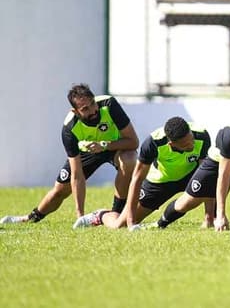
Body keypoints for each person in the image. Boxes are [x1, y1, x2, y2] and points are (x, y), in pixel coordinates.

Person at [0, 84, 138, 227]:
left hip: (114, 146)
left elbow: (133, 142)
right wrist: (81, 216)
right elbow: (77, 175)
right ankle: (30, 218)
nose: (93, 111)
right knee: (60, 191)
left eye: (92, 104)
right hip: (87, 152)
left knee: (129, 160)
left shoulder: (109, 104)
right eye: (85, 109)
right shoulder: (69, 128)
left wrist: (103, 145)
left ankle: (116, 212)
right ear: (76, 111)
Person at [145, 102, 230, 231]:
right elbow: (224, 176)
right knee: (186, 203)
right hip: (218, 163)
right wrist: (220, 215)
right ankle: (160, 223)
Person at [72, 116, 211, 230]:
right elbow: (137, 179)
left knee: (205, 184)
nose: (191, 145)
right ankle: (101, 215)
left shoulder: (202, 136)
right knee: (120, 225)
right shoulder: (153, 143)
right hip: (159, 182)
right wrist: (131, 221)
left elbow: (206, 177)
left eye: (191, 139)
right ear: (171, 144)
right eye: (186, 145)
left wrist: (209, 217)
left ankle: (162, 224)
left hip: (189, 176)